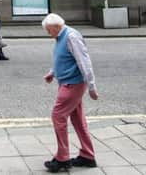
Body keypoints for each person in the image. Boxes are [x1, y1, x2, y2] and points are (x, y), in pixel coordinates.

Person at [42, 13, 98, 173]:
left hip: (73, 84)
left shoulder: (71, 37)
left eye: (48, 30)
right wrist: (52, 72)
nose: (48, 33)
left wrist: (92, 87)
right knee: (78, 120)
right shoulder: (61, 37)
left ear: (56, 26)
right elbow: (63, 58)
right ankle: (88, 156)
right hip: (67, 83)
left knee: (58, 116)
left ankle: (62, 158)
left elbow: (84, 62)